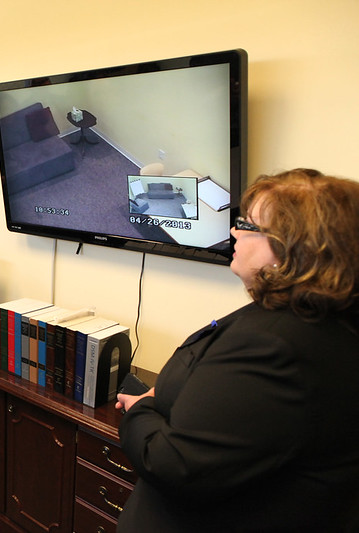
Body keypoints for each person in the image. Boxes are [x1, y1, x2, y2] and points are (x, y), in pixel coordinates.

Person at [115, 168, 359, 532]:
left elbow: (174, 466)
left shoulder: (274, 346)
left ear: (292, 246)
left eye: (248, 224)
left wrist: (142, 407)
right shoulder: (310, 318)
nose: (234, 231)